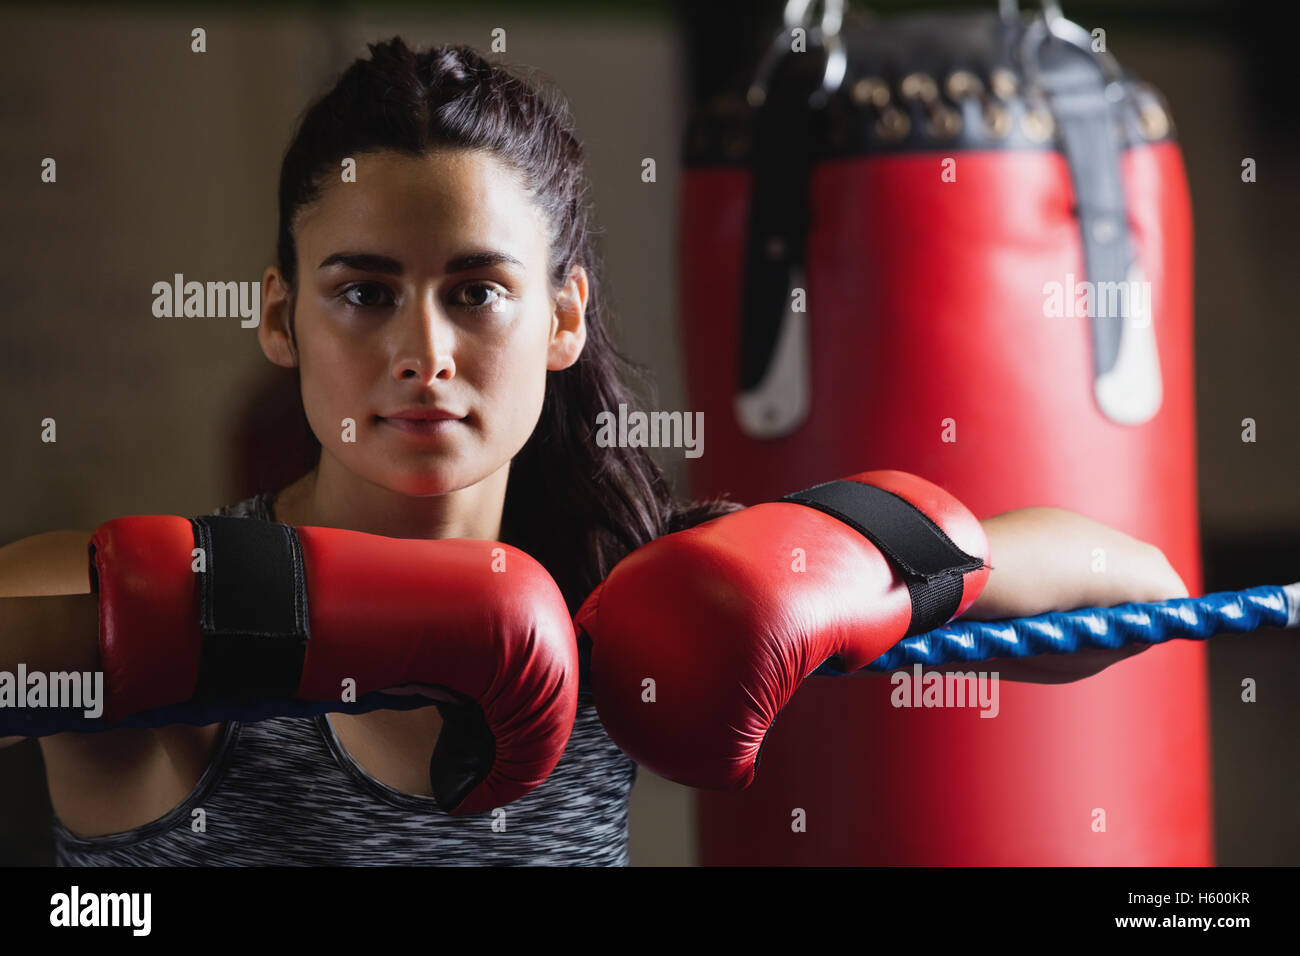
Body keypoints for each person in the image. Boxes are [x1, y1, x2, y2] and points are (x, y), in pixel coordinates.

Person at [0, 38, 1189, 866]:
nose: (424, 350)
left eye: (477, 291)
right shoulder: (159, 620)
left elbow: (1144, 586)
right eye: (363, 293)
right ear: (278, 318)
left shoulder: (621, 600)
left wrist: (843, 560)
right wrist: (320, 621)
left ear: (563, 318)